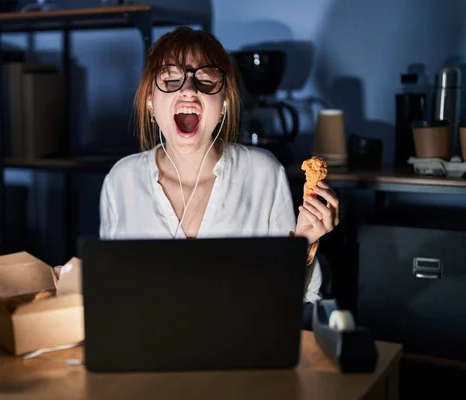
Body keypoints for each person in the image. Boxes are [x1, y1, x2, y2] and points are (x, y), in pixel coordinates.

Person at [57, 26, 340, 328]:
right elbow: (115, 294)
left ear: (225, 104)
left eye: (205, 79)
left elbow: (289, 298)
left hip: (242, 355)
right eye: (170, 79)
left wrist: (305, 241)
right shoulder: (121, 180)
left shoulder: (263, 173)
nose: (188, 90)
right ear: (151, 102)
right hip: (148, 357)